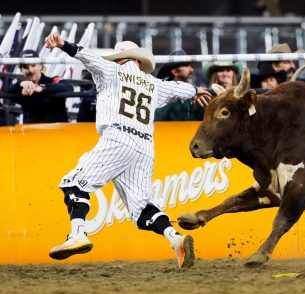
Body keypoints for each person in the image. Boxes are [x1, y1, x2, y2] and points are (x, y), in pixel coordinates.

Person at [43, 33, 211, 268]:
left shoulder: (111, 71)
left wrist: (62, 44)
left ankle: (78, 234)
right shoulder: (153, 84)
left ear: (120, 58)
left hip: (118, 138)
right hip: (144, 146)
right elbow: (176, 88)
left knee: (74, 182)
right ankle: (175, 238)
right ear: (139, 62)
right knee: (141, 207)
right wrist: (196, 91)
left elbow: (86, 55)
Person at [5, 49, 73, 123]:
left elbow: (68, 87)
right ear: (21, 70)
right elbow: (8, 92)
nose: (30, 70)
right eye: (25, 67)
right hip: (31, 132)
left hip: (57, 131)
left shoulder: (53, 81)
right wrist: (21, 84)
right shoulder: (21, 87)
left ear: (40, 66)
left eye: (33, 65)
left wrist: (42, 88)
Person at [154, 49, 205, 121]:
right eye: (187, 66)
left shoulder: (195, 95)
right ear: (175, 72)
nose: (192, 69)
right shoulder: (162, 92)